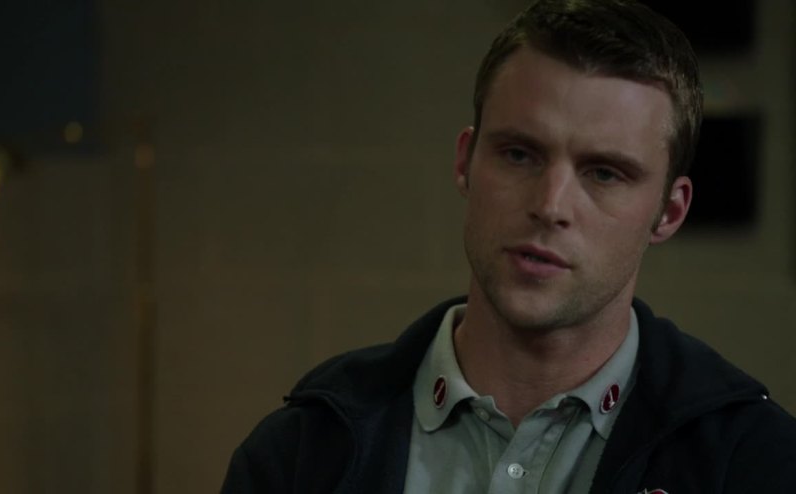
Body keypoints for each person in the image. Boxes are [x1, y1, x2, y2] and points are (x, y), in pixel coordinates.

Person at [221, 1, 796, 492]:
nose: (550, 205)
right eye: (519, 154)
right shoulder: (304, 453)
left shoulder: (755, 462)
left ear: (669, 212)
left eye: (604, 173)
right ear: (465, 161)